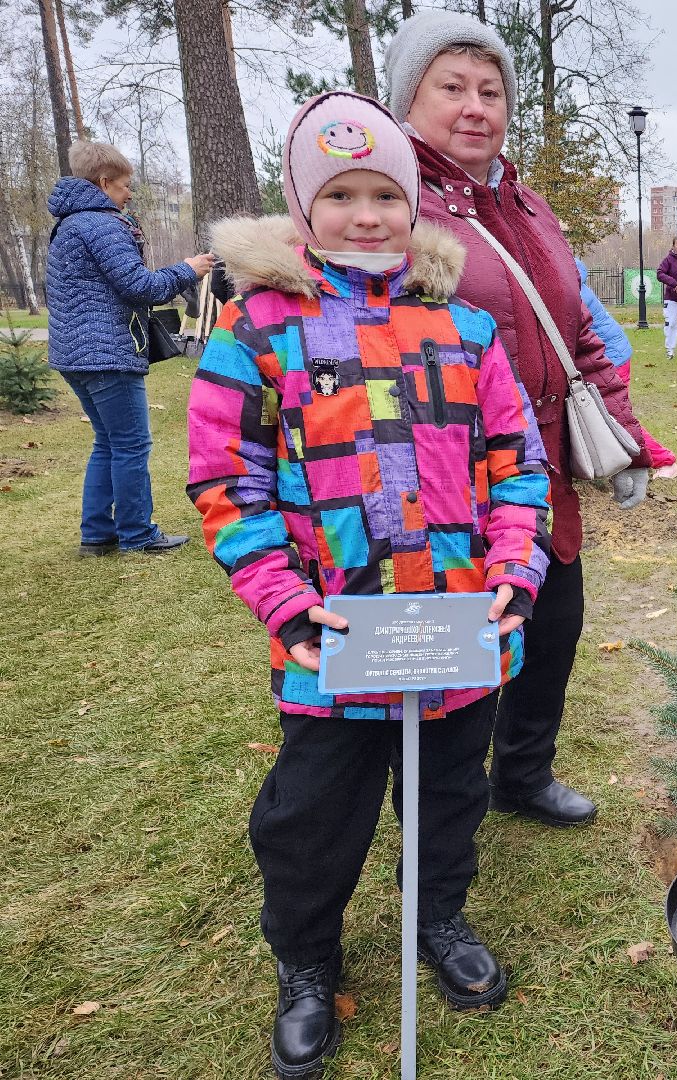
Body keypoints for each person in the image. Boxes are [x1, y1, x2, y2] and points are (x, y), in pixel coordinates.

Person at [186, 90, 550, 1077]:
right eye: (339, 194)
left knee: (447, 798)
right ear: (304, 208)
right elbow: (228, 483)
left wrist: (517, 570)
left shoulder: (465, 330)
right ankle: (306, 960)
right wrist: (284, 602)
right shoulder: (258, 330)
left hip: (457, 633)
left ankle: (438, 917)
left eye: (384, 193)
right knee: (311, 820)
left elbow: (518, 467)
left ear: (411, 203)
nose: (365, 215)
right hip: (331, 644)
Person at [385, 11, 654, 830]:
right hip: (449, 486)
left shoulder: (528, 206)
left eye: (490, 90)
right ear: (407, 101)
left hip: (544, 477)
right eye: (452, 87)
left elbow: (579, 333)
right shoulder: (391, 206)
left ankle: (524, 774)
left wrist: (621, 431)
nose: (475, 107)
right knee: (464, 651)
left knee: (555, 628)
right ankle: (441, 815)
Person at [45, 140, 214, 556]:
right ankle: (138, 535)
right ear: (103, 183)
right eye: (124, 186)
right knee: (131, 444)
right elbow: (140, 286)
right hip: (107, 352)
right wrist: (187, 270)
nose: (129, 194)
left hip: (74, 354)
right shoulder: (102, 224)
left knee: (107, 441)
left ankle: (98, 534)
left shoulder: (68, 224)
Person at [576, 258, 677, 478]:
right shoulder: (570, 278)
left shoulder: (569, 290)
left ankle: (666, 462)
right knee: (602, 415)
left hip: (608, 358)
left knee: (617, 417)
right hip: (607, 354)